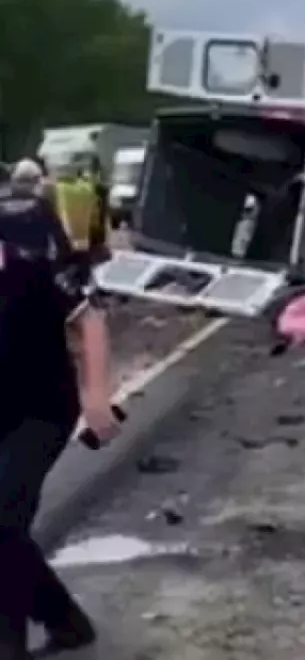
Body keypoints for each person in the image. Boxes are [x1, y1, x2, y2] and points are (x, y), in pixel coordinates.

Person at [0, 206, 120, 658]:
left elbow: (89, 319)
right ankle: (65, 622)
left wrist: (97, 397)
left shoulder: (26, 265)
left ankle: (9, 642)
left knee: (2, 521)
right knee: (6, 530)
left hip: (41, 410)